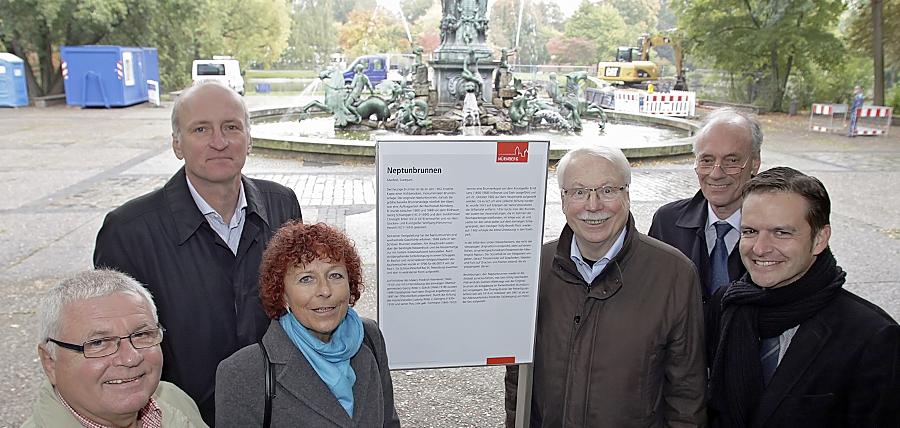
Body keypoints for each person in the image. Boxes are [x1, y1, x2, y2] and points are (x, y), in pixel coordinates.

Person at [93, 80, 302, 424]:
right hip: (183, 417)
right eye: (201, 129)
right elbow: (114, 345)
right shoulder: (129, 231)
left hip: (275, 411)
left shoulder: (282, 205)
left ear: (249, 139)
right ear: (177, 144)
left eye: (231, 127)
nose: (219, 142)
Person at [505, 146, 707, 427]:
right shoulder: (535, 269)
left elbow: (686, 395)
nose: (593, 205)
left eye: (607, 190)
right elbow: (519, 378)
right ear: (562, 200)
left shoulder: (674, 274)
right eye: (578, 192)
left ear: (627, 195)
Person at [707, 167, 900, 427]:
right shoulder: (726, 303)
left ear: (820, 238)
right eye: (750, 231)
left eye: (781, 232)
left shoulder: (873, 336)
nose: (760, 248)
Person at [216, 221, 400, 427]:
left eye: (335, 275)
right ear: (282, 295)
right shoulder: (241, 373)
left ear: (350, 285)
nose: (325, 290)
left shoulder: (370, 338)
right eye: (306, 279)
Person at [25, 269, 206, 427]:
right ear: (49, 361)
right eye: (99, 343)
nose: (131, 358)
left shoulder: (174, 400)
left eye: (141, 335)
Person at [649, 107, 762, 304]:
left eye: (732, 160)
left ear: (755, 162)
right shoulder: (667, 223)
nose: (716, 173)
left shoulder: (777, 230)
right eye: (707, 160)